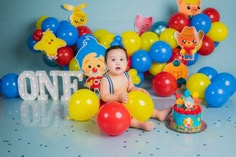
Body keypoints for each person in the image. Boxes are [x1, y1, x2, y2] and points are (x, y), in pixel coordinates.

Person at [100, 45, 172, 131]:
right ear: (106, 64)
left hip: (128, 102)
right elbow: (105, 97)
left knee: (142, 107)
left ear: (126, 62)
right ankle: (139, 124)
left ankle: (158, 114)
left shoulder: (127, 75)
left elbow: (131, 88)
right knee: (124, 116)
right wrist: (118, 97)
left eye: (121, 59)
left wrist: (137, 90)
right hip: (114, 106)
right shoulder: (106, 79)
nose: (118, 63)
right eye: (113, 60)